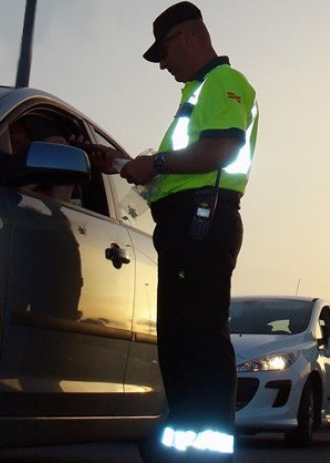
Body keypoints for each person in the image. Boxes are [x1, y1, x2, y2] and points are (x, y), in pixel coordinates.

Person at [89, 2, 258, 462]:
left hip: (202, 222)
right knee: (182, 341)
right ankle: (188, 442)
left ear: (188, 36)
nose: (163, 63)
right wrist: (124, 165)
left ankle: (204, 448)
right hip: (188, 225)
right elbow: (177, 172)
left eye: (163, 50)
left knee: (198, 338)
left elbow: (221, 149)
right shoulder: (198, 93)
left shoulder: (224, 83)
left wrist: (157, 162)